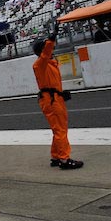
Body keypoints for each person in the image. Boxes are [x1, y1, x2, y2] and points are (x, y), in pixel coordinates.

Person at [32, 24, 83, 169]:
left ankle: (56, 156)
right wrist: (52, 38)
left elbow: (52, 83)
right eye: (48, 48)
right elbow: (46, 52)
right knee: (60, 130)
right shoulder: (40, 64)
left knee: (58, 129)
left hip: (54, 98)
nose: (52, 49)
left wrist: (60, 93)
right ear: (43, 51)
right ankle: (64, 160)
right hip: (51, 101)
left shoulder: (49, 64)